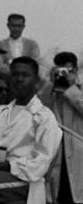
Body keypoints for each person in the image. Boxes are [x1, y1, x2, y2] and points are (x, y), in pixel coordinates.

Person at [0, 56, 61, 204]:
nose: (19, 79)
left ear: (36, 81)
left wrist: (6, 165)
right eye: (15, 75)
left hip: (24, 181)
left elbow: (41, 163)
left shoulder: (44, 117)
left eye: (25, 75)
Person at [39, 52, 83, 204]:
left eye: (68, 70)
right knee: (54, 195)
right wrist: (50, 84)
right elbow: (37, 111)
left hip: (77, 155)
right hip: (55, 153)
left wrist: (70, 90)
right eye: (60, 70)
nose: (63, 74)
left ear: (76, 71)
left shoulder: (79, 91)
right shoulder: (50, 90)